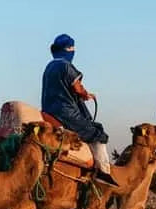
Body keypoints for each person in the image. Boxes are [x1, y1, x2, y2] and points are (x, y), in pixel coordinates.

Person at [40, 34, 118, 187]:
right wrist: (86, 94)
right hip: (65, 112)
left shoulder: (49, 67)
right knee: (97, 134)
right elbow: (76, 87)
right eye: (72, 48)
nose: (73, 51)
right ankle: (103, 172)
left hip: (49, 109)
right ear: (67, 49)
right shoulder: (65, 66)